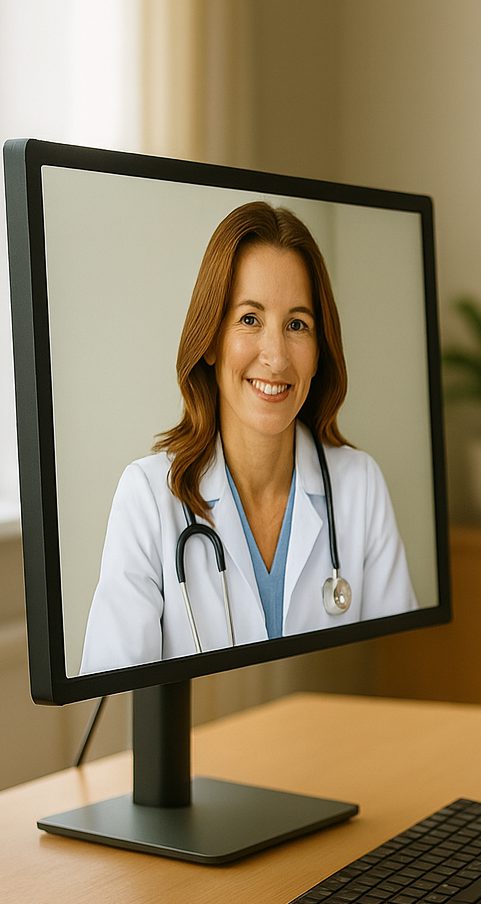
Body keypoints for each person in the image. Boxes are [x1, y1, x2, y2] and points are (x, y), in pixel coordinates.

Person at [81, 202, 417, 675]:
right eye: (249, 319)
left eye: (297, 325)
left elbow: (401, 678)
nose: (276, 358)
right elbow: (115, 697)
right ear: (211, 340)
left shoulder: (360, 486)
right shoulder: (148, 499)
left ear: (319, 350)